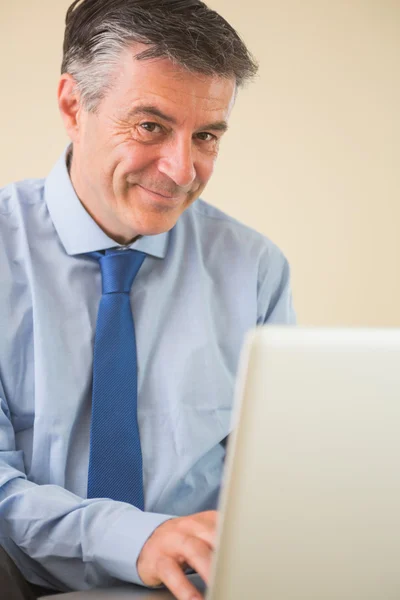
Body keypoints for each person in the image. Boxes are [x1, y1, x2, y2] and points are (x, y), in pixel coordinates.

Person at [0, 1, 296, 599]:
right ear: (72, 106)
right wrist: (135, 538)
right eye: (150, 126)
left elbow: (279, 477)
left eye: (206, 136)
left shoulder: (255, 269)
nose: (181, 169)